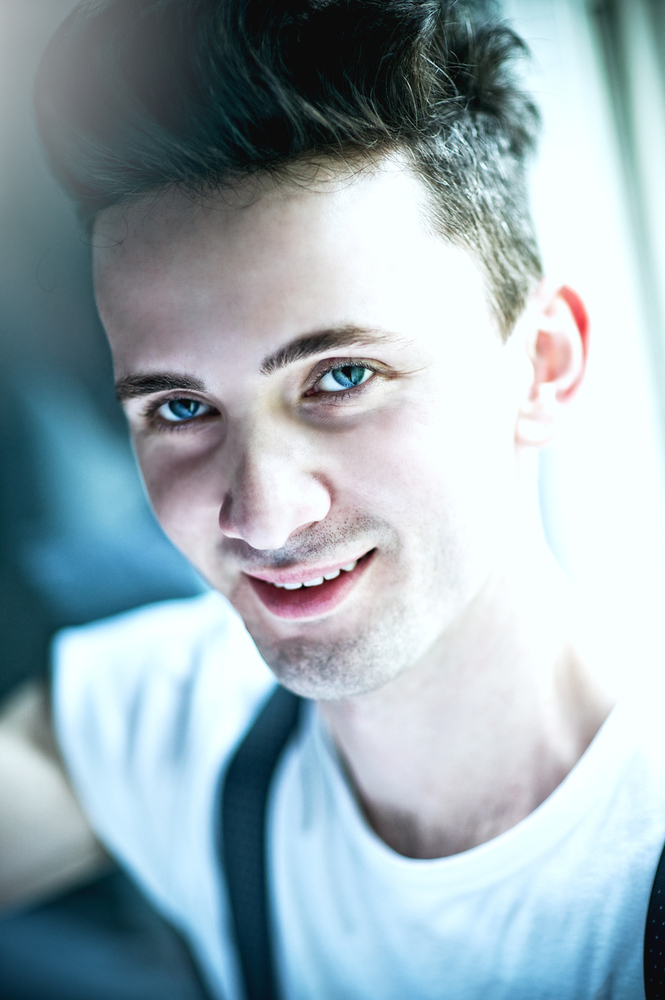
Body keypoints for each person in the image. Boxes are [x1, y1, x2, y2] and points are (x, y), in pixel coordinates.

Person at [1, 0, 662, 996]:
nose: (263, 516)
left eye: (341, 378)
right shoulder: (182, 727)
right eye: (181, 407)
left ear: (540, 364)